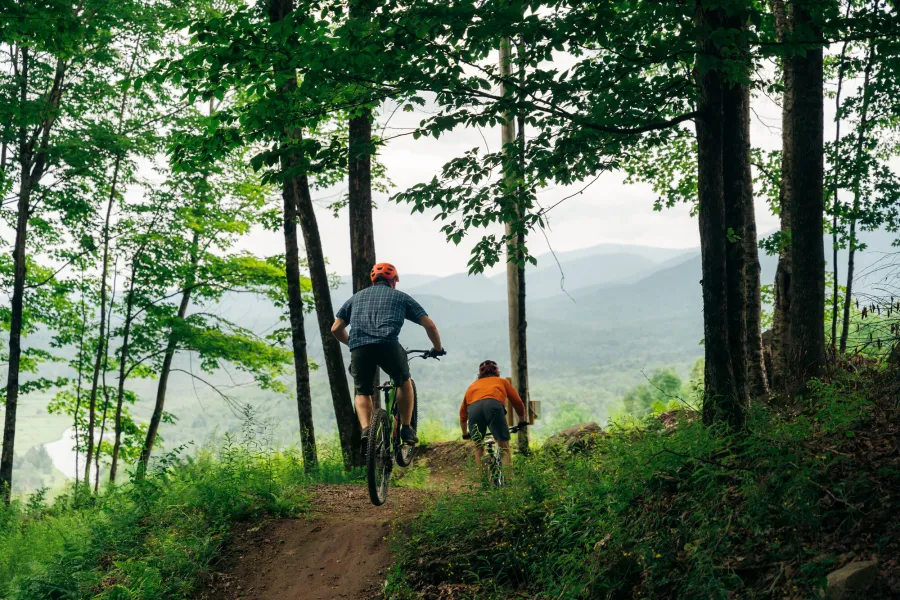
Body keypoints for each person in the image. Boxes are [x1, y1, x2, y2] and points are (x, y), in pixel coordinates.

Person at [331, 262, 444, 445]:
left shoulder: (355, 298)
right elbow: (429, 325)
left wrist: (353, 343)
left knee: (362, 392)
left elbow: (336, 328)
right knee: (404, 382)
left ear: (373, 280)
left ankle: (367, 430)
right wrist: (438, 348)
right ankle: (406, 429)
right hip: (388, 345)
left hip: (360, 348)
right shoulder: (401, 297)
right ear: (395, 280)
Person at [460, 359, 527, 471]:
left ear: (480, 374)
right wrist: (522, 420)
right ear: (497, 372)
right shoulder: (502, 381)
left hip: (473, 411)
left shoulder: (472, 386)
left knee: (478, 447)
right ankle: (508, 481)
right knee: (504, 446)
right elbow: (517, 402)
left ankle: (481, 482)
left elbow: (462, 414)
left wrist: (465, 433)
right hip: (494, 407)